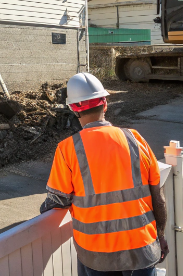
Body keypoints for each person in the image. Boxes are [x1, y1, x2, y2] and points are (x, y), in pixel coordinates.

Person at [41, 73, 168, 276]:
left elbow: (58, 199)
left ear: (74, 109)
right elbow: (158, 198)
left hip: (97, 255)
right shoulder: (136, 139)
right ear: (105, 104)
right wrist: (160, 235)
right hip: (143, 247)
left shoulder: (68, 149)